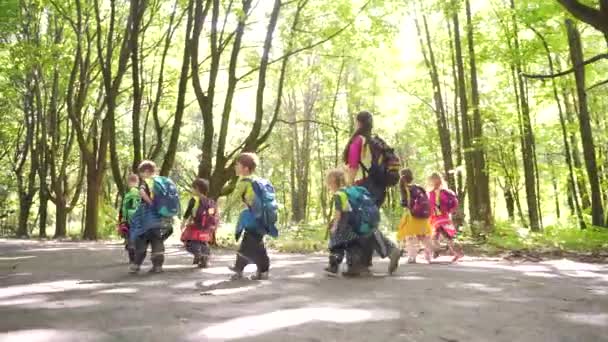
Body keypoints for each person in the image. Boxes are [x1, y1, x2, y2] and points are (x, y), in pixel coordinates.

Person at [343, 111, 401, 273]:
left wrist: (348, 187)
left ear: (358, 123)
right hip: (378, 187)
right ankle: (362, 264)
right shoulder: (374, 142)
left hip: (362, 186)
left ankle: (389, 250)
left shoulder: (358, 140)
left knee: (358, 224)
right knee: (366, 223)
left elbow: (354, 166)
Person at [229, 153, 271, 281]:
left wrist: (220, 210)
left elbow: (233, 199)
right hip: (265, 218)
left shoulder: (244, 181)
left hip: (253, 219)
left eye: (237, 165)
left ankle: (239, 270)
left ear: (246, 168)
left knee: (248, 244)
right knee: (256, 244)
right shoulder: (260, 181)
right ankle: (262, 271)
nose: (235, 167)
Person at [324, 168, 364, 276]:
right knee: (352, 246)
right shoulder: (348, 190)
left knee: (337, 244)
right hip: (354, 222)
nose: (329, 186)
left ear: (333, 183)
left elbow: (338, 212)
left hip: (343, 222)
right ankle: (354, 268)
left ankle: (334, 265)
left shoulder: (338, 194)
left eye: (329, 183)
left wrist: (335, 226)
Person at [129, 160, 165, 274]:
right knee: (157, 241)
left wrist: (150, 203)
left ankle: (136, 265)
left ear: (146, 171)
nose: (140, 176)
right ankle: (158, 266)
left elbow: (142, 193)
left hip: (147, 216)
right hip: (159, 218)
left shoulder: (146, 182)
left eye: (141, 173)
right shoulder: (160, 182)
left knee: (142, 239)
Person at [180, 178, 218, 268]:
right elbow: (212, 214)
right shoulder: (210, 201)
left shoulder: (194, 199)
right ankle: (205, 258)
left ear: (197, 188)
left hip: (195, 226)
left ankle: (199, 254)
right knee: (203, 242)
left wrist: (183, 222)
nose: (191, 190)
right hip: (206, 228)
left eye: (192, 188)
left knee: (189, 243)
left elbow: (188, 211)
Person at [396, 169, 432, 264]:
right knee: (423, 236)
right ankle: (429, 255)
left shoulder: (405, 188)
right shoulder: (419, 187)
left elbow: (404, 203)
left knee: (410, 237)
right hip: (423, 216)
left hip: (412, 215)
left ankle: (412, 257)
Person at [428, 172, 463, 262]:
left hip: (441, 217)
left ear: (438, 180)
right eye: (432, 180)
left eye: (434, 180)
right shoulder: (433, 192)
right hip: (437, 217)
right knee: (437, 236)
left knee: (446, 236)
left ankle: (455, 252)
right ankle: (438, 250)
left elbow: (441, 204)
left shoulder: (442, 192)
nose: (433, 182)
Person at [118, 174, 141, 264]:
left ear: (129, 182)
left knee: (130, 238)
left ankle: (132, 259)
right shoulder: (140, 192)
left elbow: (125, 208)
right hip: (139, 219)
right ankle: (137, 257)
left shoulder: (129, 194)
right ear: (137, 182)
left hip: (129, 219)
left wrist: (122, 219)